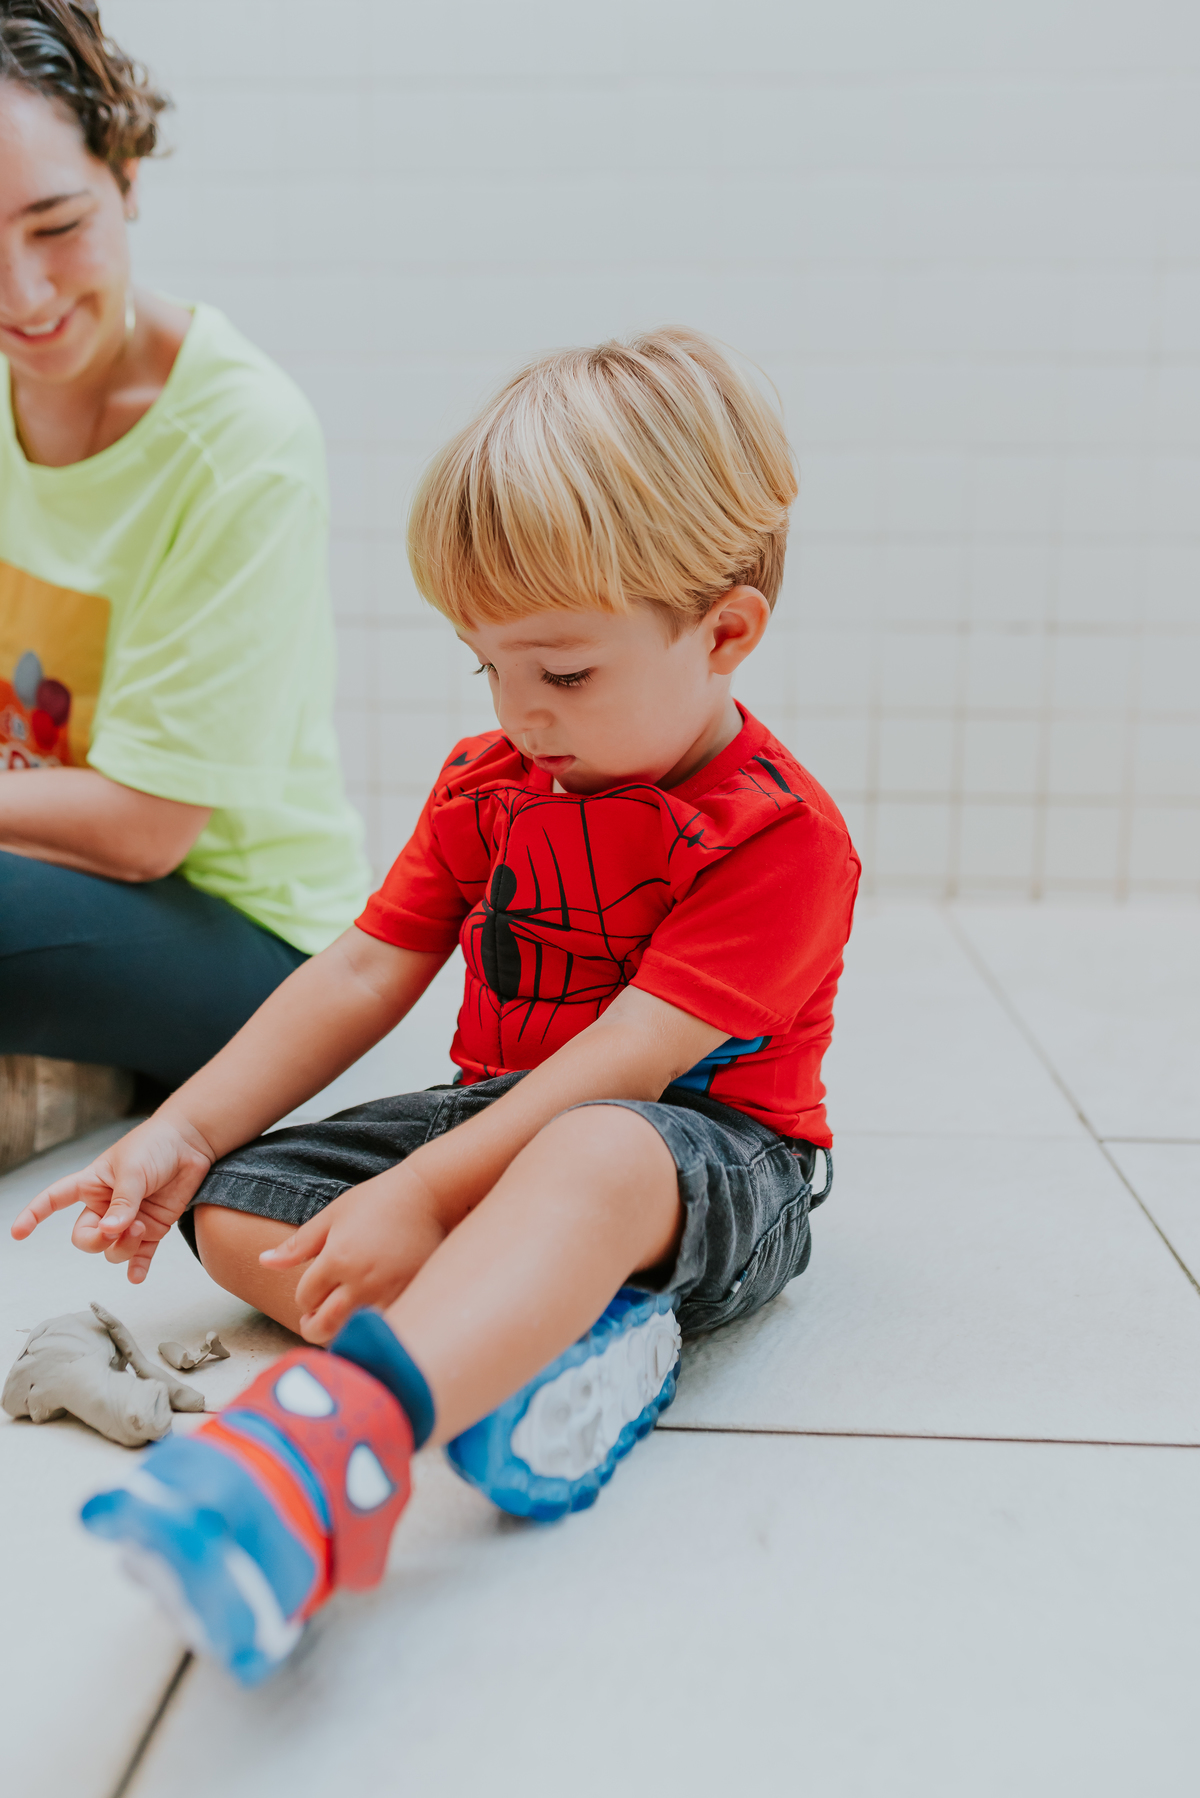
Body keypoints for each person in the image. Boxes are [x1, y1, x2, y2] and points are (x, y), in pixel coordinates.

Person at [13, 328, 861, 1686]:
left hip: (699, 1151)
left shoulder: (774, 838)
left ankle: (335, 1450)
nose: (520, 711)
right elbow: (362, 967)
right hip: (502, 1118)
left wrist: (428, 1191)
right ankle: (551, 1343)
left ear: (726, 631)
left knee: (587, 1150)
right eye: (488, 668)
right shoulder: (493, 780)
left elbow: (631, 1055)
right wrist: (184, 1125)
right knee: (241, 1207)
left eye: (564, 673)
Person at [0, 1, 368, 1167]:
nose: (21, 294)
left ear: (126, 174)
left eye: (56, 225)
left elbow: (146, 829)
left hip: (249, 941)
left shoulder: (239, 439)